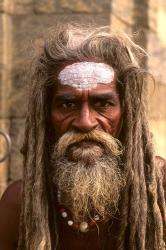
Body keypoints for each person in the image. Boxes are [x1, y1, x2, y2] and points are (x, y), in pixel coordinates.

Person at [0, 24, 165, 250]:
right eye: (68, 104)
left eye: (103, 104)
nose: (85, 122)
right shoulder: (18, 204)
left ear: (127, 113)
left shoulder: (159, 191)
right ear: (46, 115)